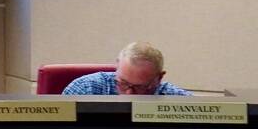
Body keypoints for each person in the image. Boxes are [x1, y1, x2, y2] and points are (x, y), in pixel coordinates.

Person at [61, 42, 192, 96]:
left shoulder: (178, 101)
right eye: (123, 83)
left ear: (159, 78)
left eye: (140, 87)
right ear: (117, 66)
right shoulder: (85, 89)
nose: (129, 93)